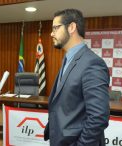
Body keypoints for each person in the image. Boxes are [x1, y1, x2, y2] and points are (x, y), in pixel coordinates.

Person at [44, 9, 110, 146]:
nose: (51, 33)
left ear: (72, 27)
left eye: (55, 28)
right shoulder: (68, 59)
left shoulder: (92, 63)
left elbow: (98, 117)